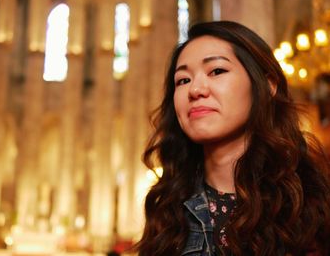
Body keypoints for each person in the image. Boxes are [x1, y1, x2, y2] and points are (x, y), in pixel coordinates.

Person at [135, 21, 330, 256]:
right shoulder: (167, 212)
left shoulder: (310, 203)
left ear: (267, 86)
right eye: (183, 80)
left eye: (217, 71)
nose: (195, 89)